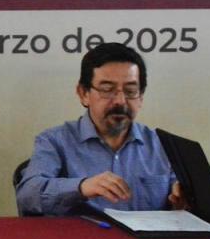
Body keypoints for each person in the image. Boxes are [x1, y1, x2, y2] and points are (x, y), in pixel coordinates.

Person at [15, 42, 185, 216]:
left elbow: (182, 197)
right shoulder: (55, 141)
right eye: (107, 90)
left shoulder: (163, 145)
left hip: (146, 235)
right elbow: (27, 195)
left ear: (141, 97)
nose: (120, 101)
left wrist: (183, 200)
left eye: (130, 91)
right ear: (84, 94)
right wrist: (81, 187)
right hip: (81, 234)